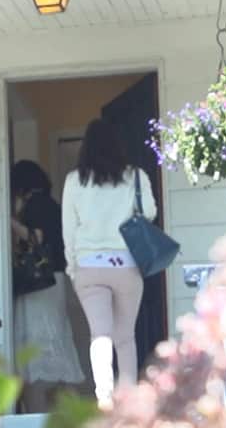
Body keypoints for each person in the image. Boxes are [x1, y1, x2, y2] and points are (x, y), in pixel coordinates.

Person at [61, 118, 156, 408]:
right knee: (125, 337)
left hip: (89, 266)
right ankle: (128, 400)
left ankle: (104, 398)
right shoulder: (135, 176)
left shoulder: (74, 181)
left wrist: (72, 267)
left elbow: (69, 228)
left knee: (99, 333)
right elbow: (149, 212)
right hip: (125, 264)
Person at [10, 159, 83, 412]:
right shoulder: (53, 206)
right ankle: (71, 411)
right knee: (58, 342)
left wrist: (8, 220)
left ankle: (37, 415)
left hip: (41, 285)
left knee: (39, 347)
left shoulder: (37, 205)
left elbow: (34, 237)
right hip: (55, 280)